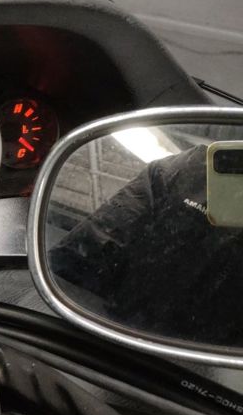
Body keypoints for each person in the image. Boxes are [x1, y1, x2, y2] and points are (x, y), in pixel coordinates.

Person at [48, 143, 243, 348]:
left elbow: (81, 257)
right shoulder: (193, 169)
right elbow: (82, 255)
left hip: (111, 335)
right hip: (116, 337)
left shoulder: (194, 167)